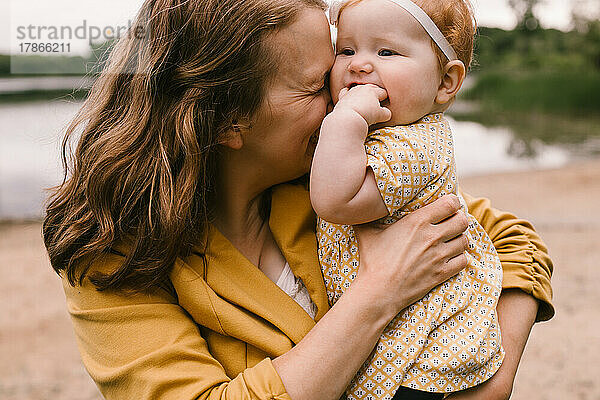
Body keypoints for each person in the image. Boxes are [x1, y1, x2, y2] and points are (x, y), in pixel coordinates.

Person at [42, 0, 553, 399]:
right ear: (226, 121)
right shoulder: (112, 258)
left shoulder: (339, 180)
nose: (344, 94)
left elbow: (509, 236)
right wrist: (380, 292)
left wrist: (497, 373)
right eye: (315, 88)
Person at [310, 0, 503, 398]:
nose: (359, 65)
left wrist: (344, 119)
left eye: (386, 52)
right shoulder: (380, 134)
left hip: (419, 354)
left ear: (445, 82)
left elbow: (335, 200)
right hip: (398, 333)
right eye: (346, 50)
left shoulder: (413, 145)